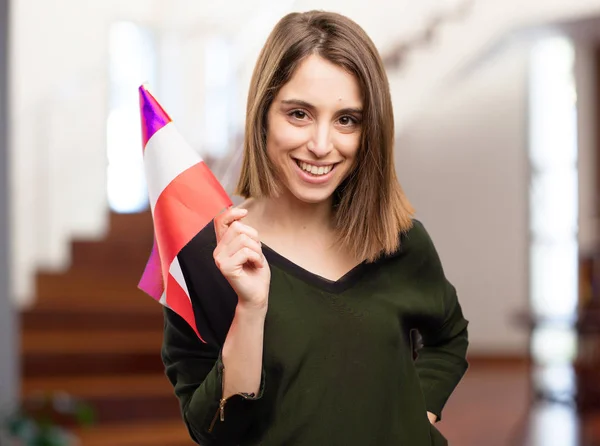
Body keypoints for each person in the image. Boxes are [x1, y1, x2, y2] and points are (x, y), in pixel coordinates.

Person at [161, 10, 468, 446]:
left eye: (347, 120)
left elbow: (449, 336)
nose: (322, 146)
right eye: (299, 114)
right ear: (263, 114)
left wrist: (415, 413)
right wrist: (250, 310)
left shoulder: (400, 241)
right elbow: (213, 432)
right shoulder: (206, 259)